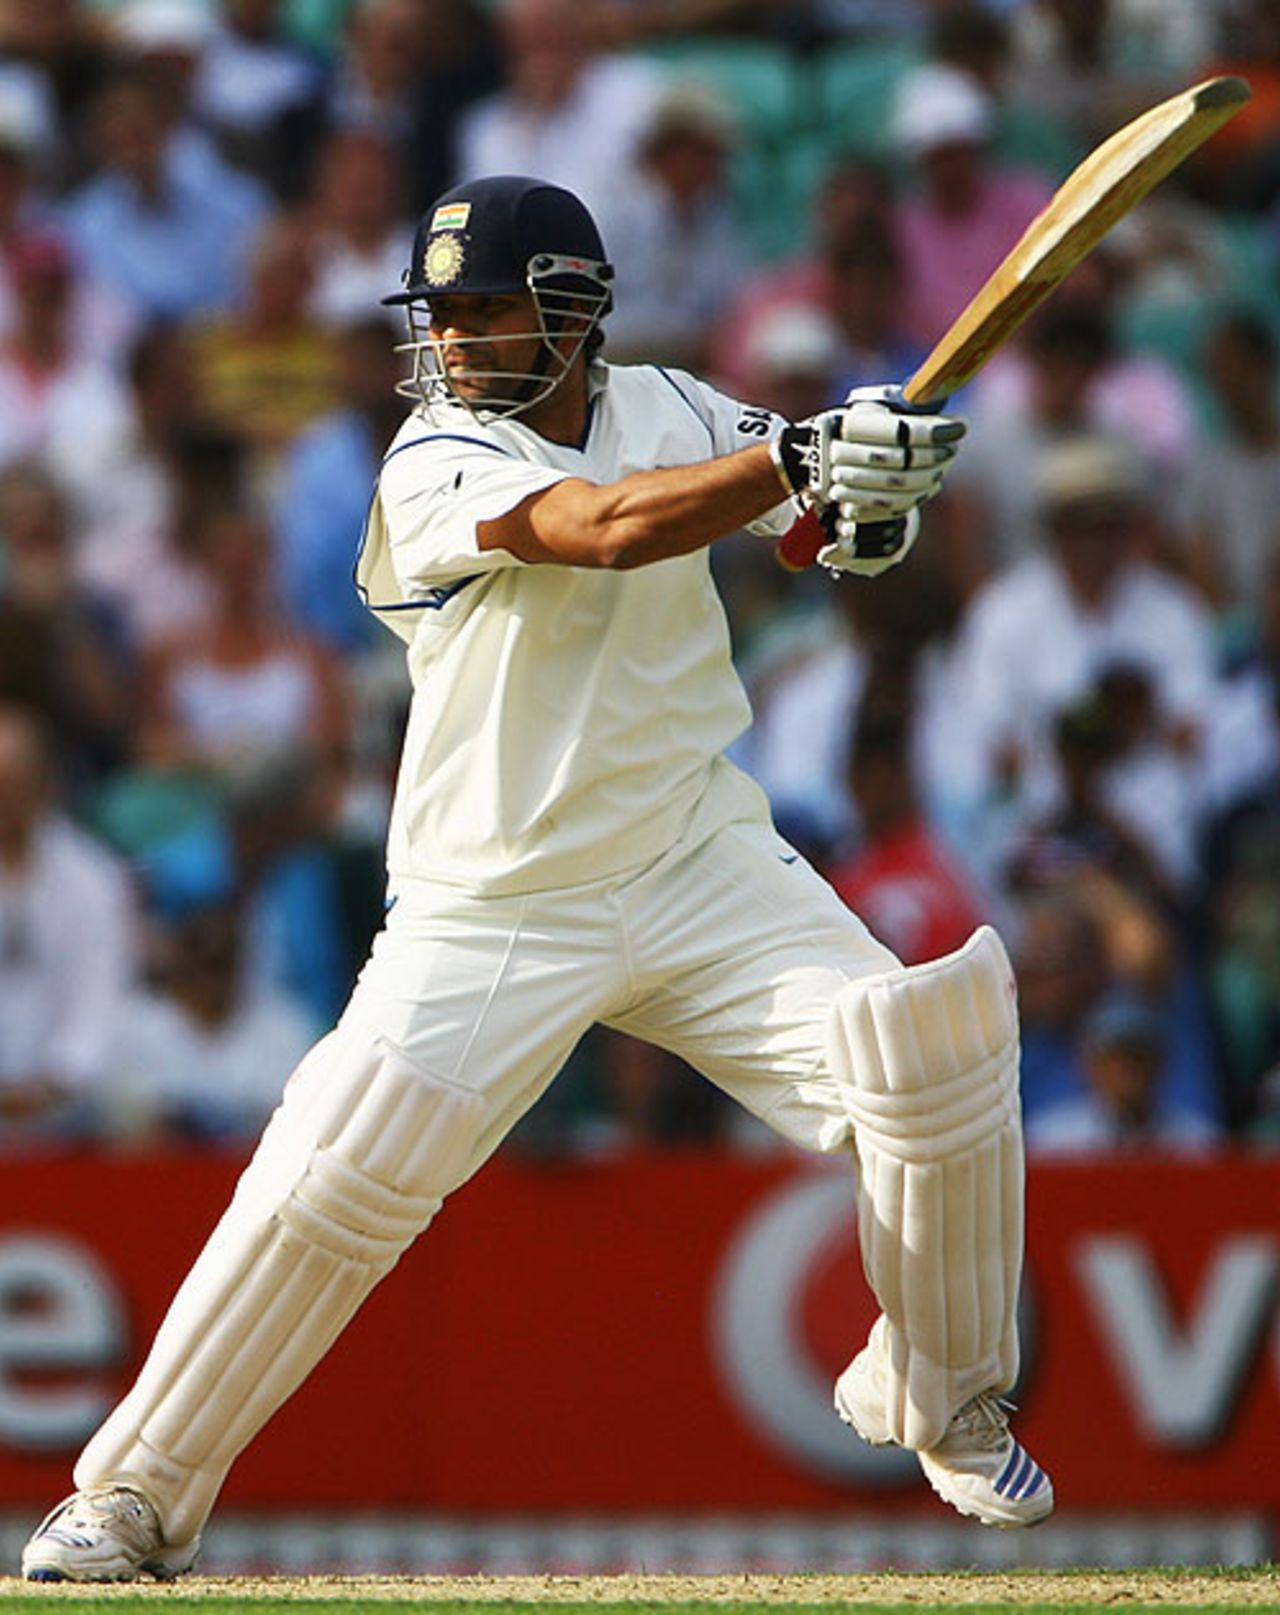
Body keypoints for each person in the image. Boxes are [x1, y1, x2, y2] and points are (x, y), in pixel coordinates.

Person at [21, 174, 1051, 1584]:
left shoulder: (680, 407)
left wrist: (865, 508)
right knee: (339, 1165)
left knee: (929, 1047)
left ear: (572, 314)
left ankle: (946, 1399)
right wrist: (807, 460)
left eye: (483, 312)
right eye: (436, 316)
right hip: (494, 897)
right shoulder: (430, 462)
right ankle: (134, 1497)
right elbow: (609, 527)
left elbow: (805, 529)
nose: (450, 342)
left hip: (700, 857)